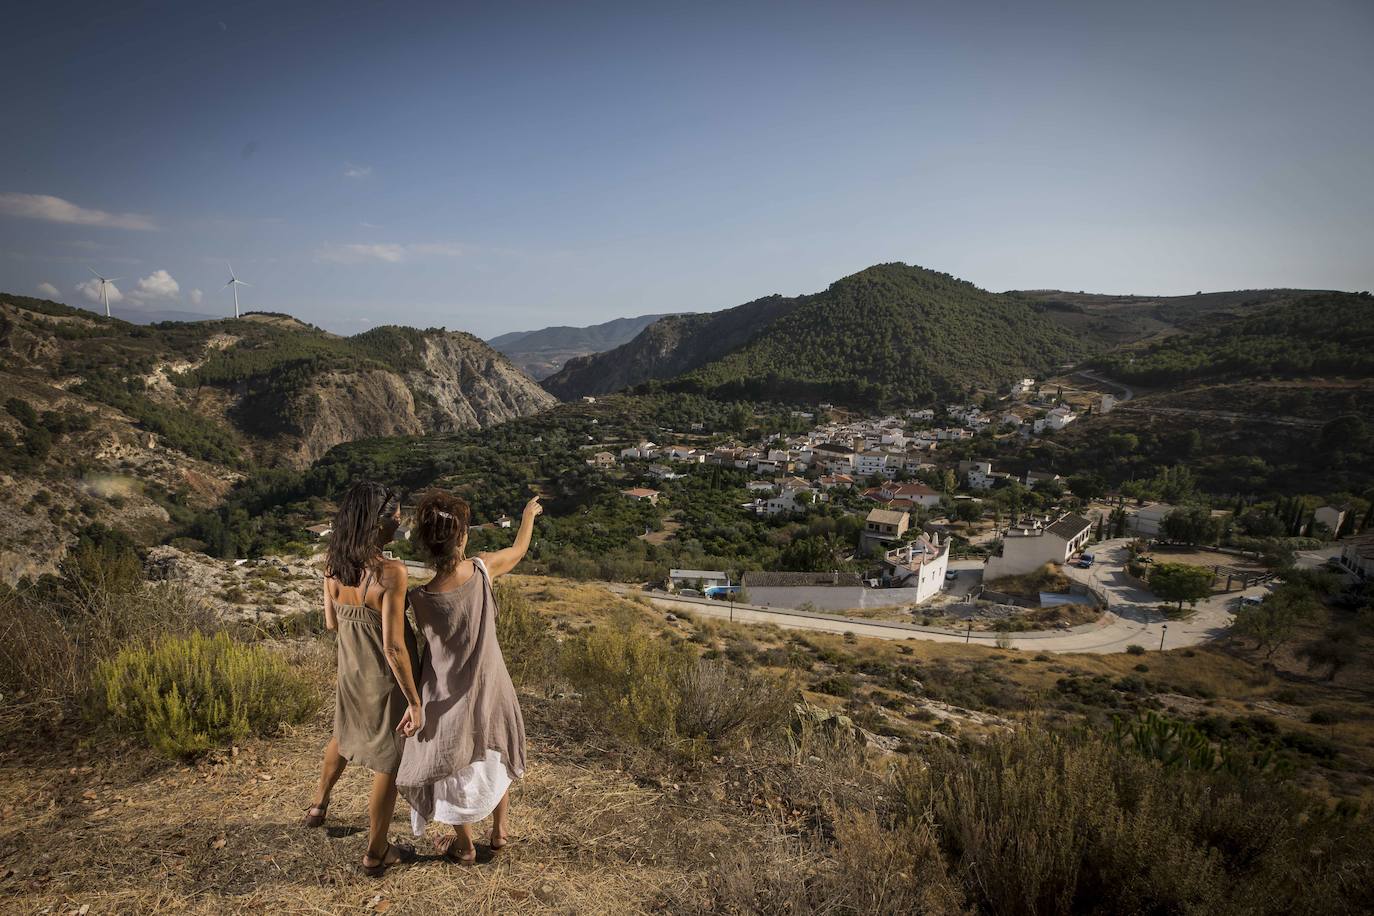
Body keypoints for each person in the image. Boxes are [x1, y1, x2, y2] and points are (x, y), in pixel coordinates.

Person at [396, 489, 541, 864]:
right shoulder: (482, 568)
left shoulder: (420, 597)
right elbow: (519, 550)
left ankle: (464, 844)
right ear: (461, 537)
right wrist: (527, 515)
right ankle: (499, 830)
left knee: (452, 765)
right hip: (491, 684)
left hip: (445, 691)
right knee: (495, 752)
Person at [301, 481, 424, 878]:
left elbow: (331, 622)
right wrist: (416, 700)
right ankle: (376, 851)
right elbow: (393, 647)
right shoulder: (390, 572)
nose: (400, 522)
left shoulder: (332, 566)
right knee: (389, 760)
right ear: (379, 521)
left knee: (344, 732)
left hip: (350, 670)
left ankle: (318, 805)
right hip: (385, 681)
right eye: (395, 516)